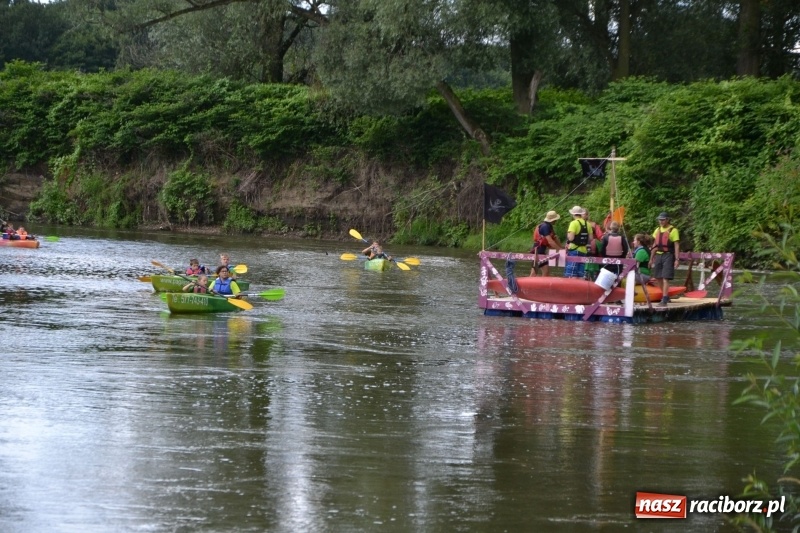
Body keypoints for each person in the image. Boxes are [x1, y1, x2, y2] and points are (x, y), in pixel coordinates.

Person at [649, 212, 680, 305]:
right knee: (658, 277)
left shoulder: (673, 230)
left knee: (666, 277)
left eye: (663, 220)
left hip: (668, 255)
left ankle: (665, 298)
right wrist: (651, 258)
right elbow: (655, 245)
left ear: (667, 220)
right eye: (659, 220)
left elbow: (677, 245)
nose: (661, 221)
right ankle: (665, 295)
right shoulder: (657, 230)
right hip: (658, 255)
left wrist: (677, 259)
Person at [529, 210, 563, 276]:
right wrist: (560, 250)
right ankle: (529, 285)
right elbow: (550, 241)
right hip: (538, 250)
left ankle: (541, 285)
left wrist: (561, 247)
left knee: (546, 272)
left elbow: (555, 238)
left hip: (542, 250)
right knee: (535, 272)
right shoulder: (545, 227)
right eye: (555, 219)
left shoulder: (549, 226)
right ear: (553, 220)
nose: (556, 221)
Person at [564, 205, 589, 279]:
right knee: (580, 273)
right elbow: (590, 238)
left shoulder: (573, 223)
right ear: (581, 214)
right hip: (584, 250)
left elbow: (571, 238)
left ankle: (571, 289)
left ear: (573, 214)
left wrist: (568, 235)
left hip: (574, 249)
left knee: (572, 273)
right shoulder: (587, 224)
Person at [583, 209, 606, 281]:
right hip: (583, 248)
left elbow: (600, 236)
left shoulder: (594, 225)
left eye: (583, 214)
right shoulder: (575, 224)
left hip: (592, 249)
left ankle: (593, 277)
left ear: (587, 215)